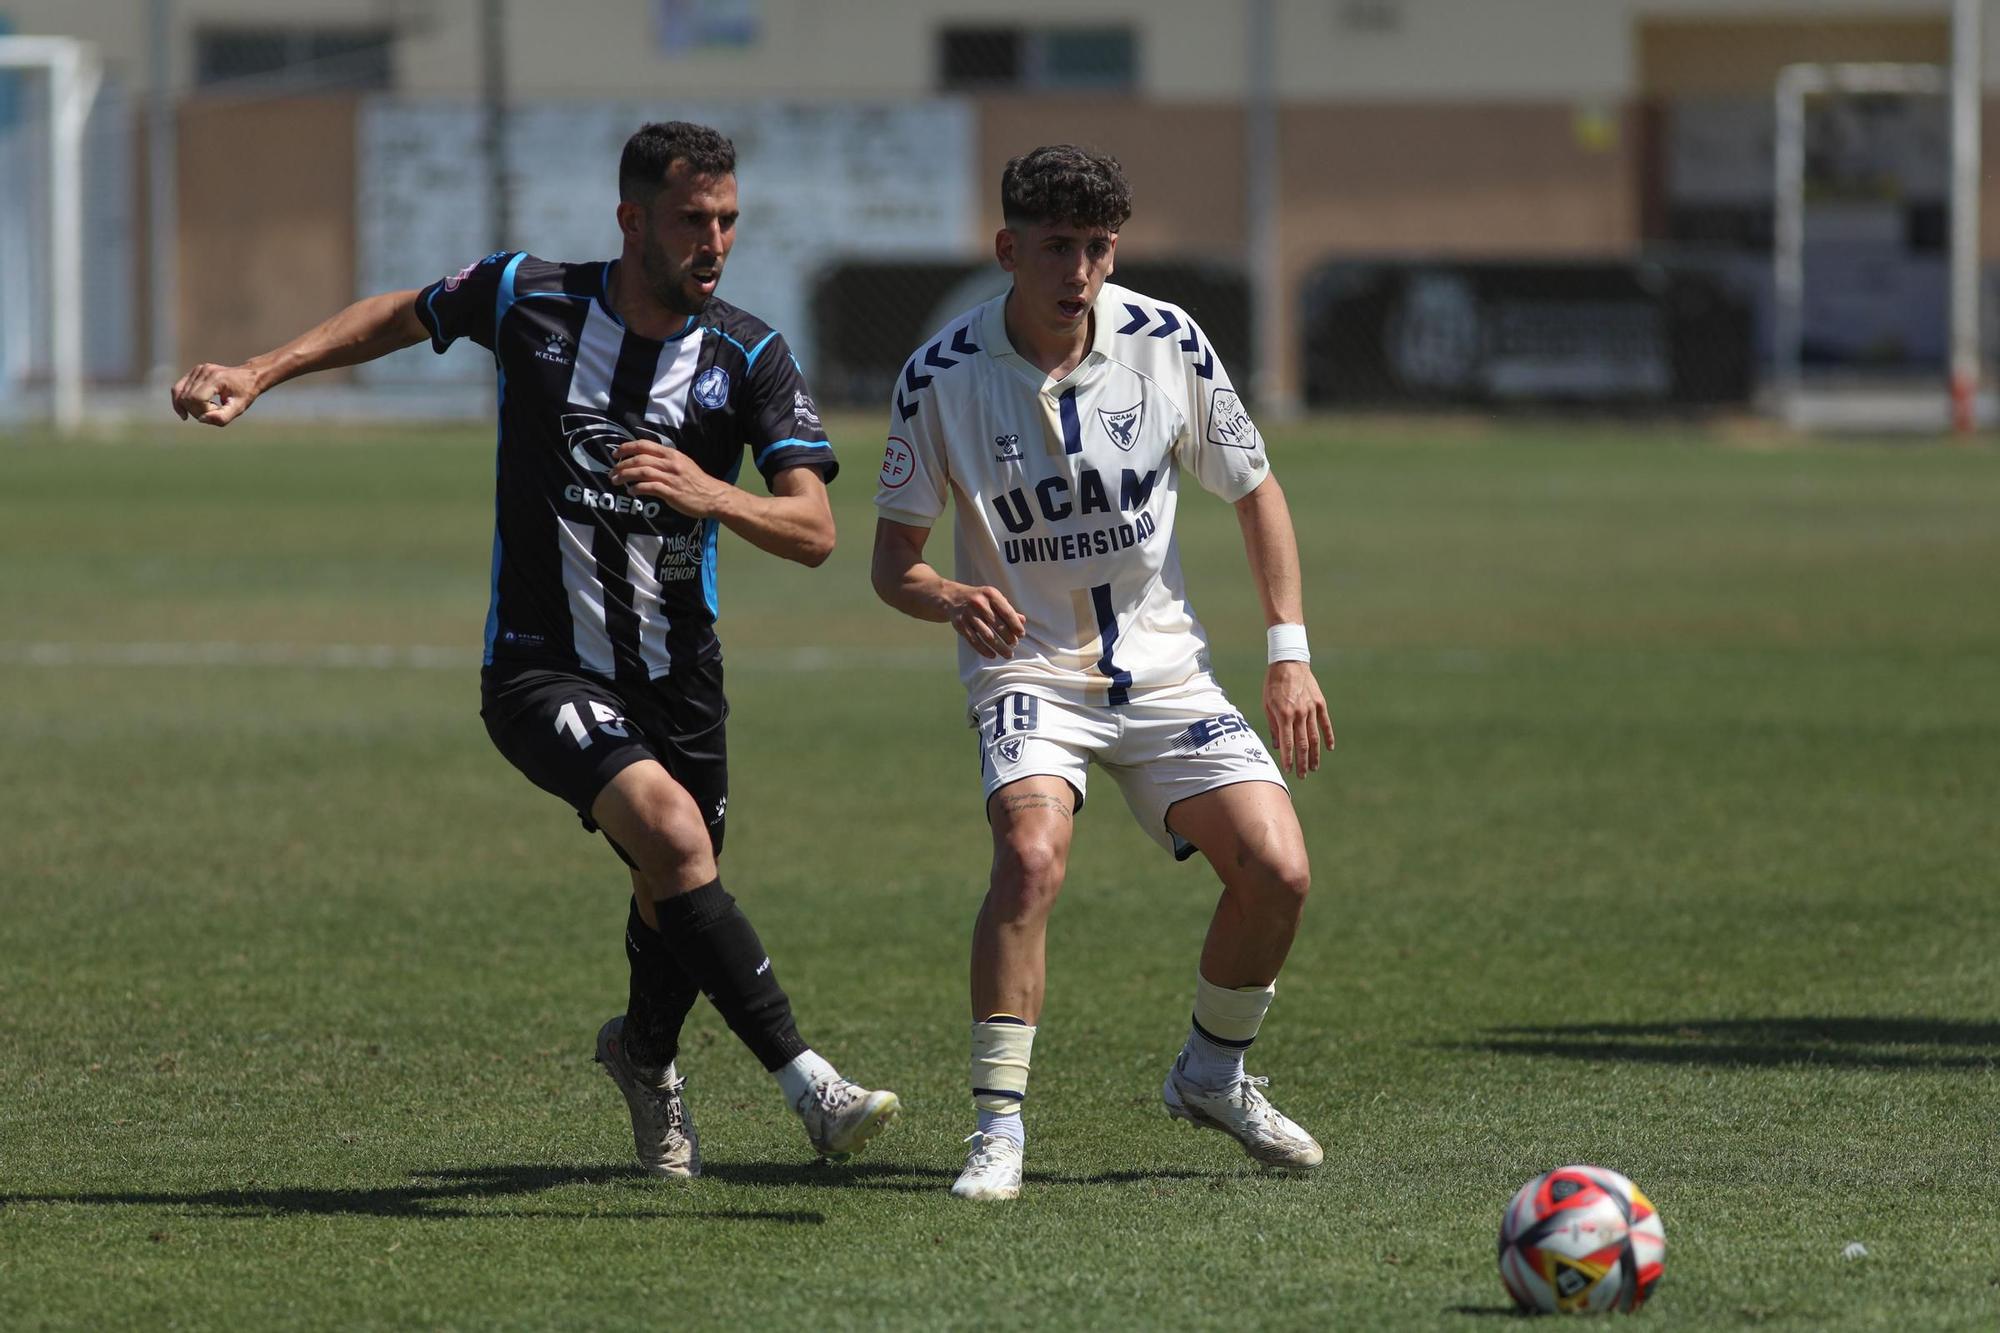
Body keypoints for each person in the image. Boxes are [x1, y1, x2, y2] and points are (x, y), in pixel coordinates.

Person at [171, 120, 898, 1180]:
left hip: (680, 677)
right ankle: (808, 1082)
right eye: (693, 220)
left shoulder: (748, 353)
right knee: (673, 838)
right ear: (631, 220)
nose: (715, 241)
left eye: (729, 220)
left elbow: (815, 533)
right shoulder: (531, 295)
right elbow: (402, 313)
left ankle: (642, 1059)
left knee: (675, 888)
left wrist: (708, 492)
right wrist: (262, 368)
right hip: (536, 666)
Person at [870, 145, 1334, 1201]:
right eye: (1055, 247)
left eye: (1096, 247)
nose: (1078, 269)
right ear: (1006, 249)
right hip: (1026, 670)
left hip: (1164, 672)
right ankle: (997, 1129)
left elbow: (1254, 490)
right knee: (1029, 858)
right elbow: (892, 564)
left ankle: (1210, 1074)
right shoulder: (938, 378)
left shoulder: (1165, 341)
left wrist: (1287, 653)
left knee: (1279, 871)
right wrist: (950, 596)